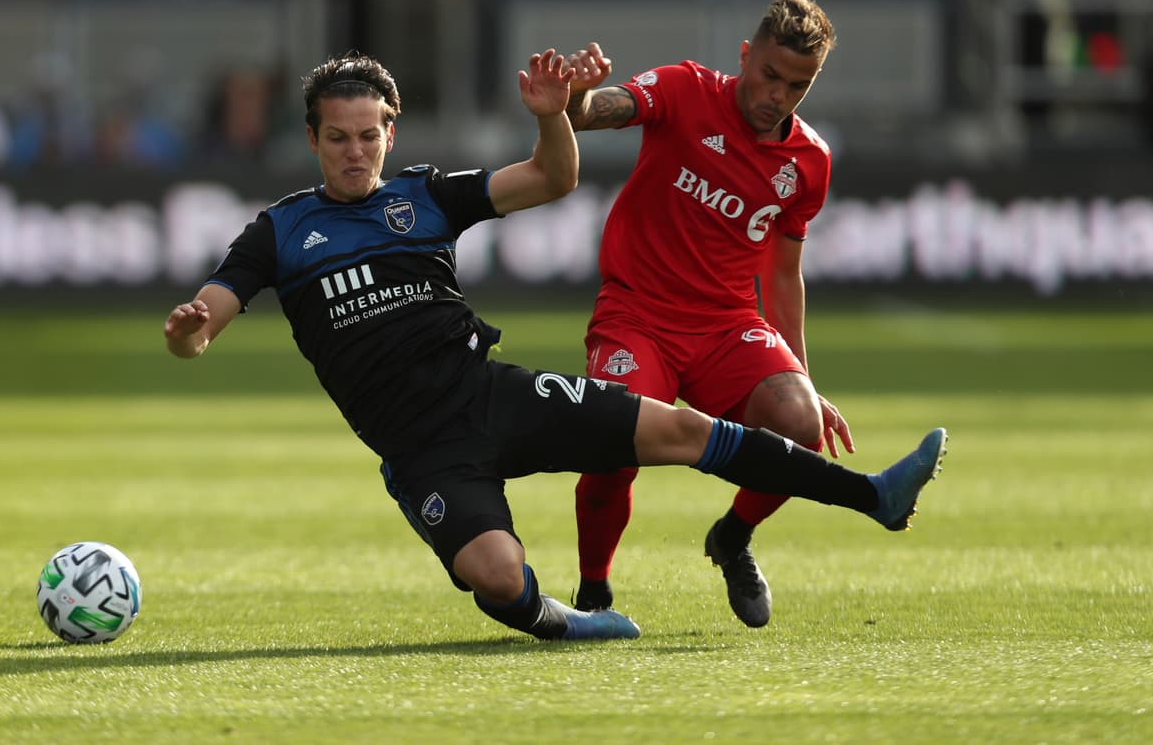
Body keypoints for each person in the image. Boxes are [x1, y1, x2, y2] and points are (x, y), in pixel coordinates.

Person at [163, 48, 947, 642]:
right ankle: (564, 617)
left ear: (389, 132)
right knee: (498, 576)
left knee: (677, 428)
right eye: (338, 137)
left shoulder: (427, 198)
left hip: (492, 394)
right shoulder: (281, 231)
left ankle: (872, 495)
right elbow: (211, 314)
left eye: (369, 135)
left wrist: (552, 114)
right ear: (312, 139)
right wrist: (194, 329)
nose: (355, 151)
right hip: (424, 450)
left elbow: (551, 179)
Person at [563, 0, 847, 628]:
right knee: (611, 442)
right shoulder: (685, 88)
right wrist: (575, 96)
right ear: (746, 56)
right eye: (769, 75)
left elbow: (782, 274)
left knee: (801, 427)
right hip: (636, 315)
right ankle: (593, 591)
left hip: (726, 326)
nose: (777, 95)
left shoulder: (809, 162)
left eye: (795, 86)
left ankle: (733, 538)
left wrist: (802, 375)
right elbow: (600, 113)